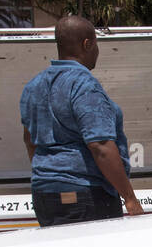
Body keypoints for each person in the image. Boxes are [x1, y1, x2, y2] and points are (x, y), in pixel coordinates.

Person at [20, 14, 143, 226]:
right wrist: (130, 199)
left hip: (43, 194)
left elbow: (30, 140)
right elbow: (101, 146)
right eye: (96, 44)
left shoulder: (34, 85)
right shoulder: (84, 86)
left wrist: (52, 175)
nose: (97, 51)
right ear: (87, 44)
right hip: (86, 195)